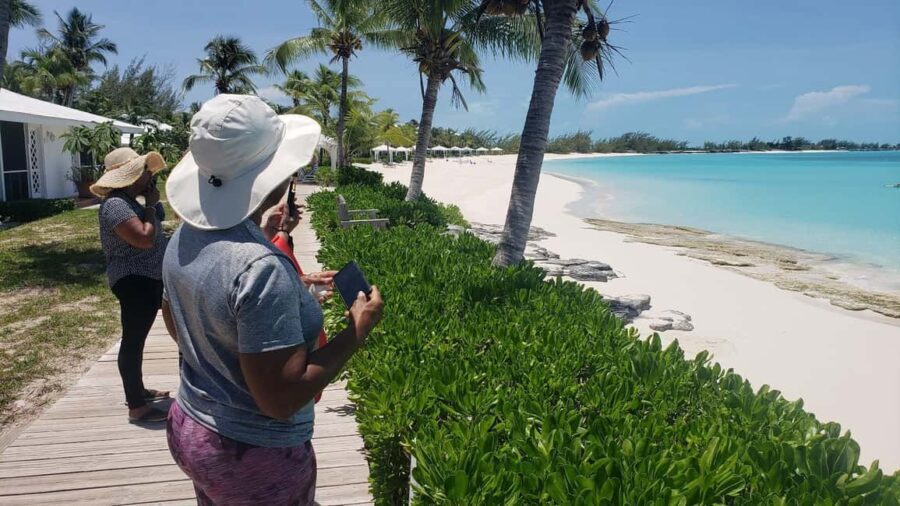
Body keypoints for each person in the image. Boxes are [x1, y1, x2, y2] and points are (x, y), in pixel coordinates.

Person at [162, 94, 383, 505]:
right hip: (250, 451)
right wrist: (357, 330)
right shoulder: (259, 267)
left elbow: (176, 316)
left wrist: (290, 281)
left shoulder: (186, 234)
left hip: (191, 423)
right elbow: (280, 399)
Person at [92, 147, 171, 423]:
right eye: (144, 171)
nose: (149, 175)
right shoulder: (115, 205)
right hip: (133, 279)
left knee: (138, 338)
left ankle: (138, 390)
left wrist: (152, 202)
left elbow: (157, 224)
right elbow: (144, 239)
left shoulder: (132, 201)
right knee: (133, 340)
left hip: (147, 277)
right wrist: (149, 205)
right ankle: (136, 407)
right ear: (130, 176)